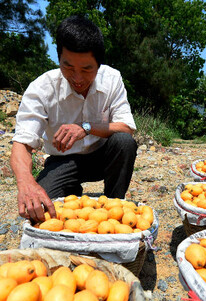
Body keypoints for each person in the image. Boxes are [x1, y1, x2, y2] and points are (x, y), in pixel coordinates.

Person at [10, 15, 137, 223]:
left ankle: (115, 205)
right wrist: (26, 183)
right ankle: (69, 189)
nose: (77, 79)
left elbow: (127, 127)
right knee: (44, 211)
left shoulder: (112, 79)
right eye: (68, 68)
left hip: (101, 157)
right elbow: (22, 143)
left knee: (123, 142)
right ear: (58, 58)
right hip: (62, 161)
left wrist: (85, 127)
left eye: (87, 69)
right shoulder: (42, 88)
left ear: (99, 64)